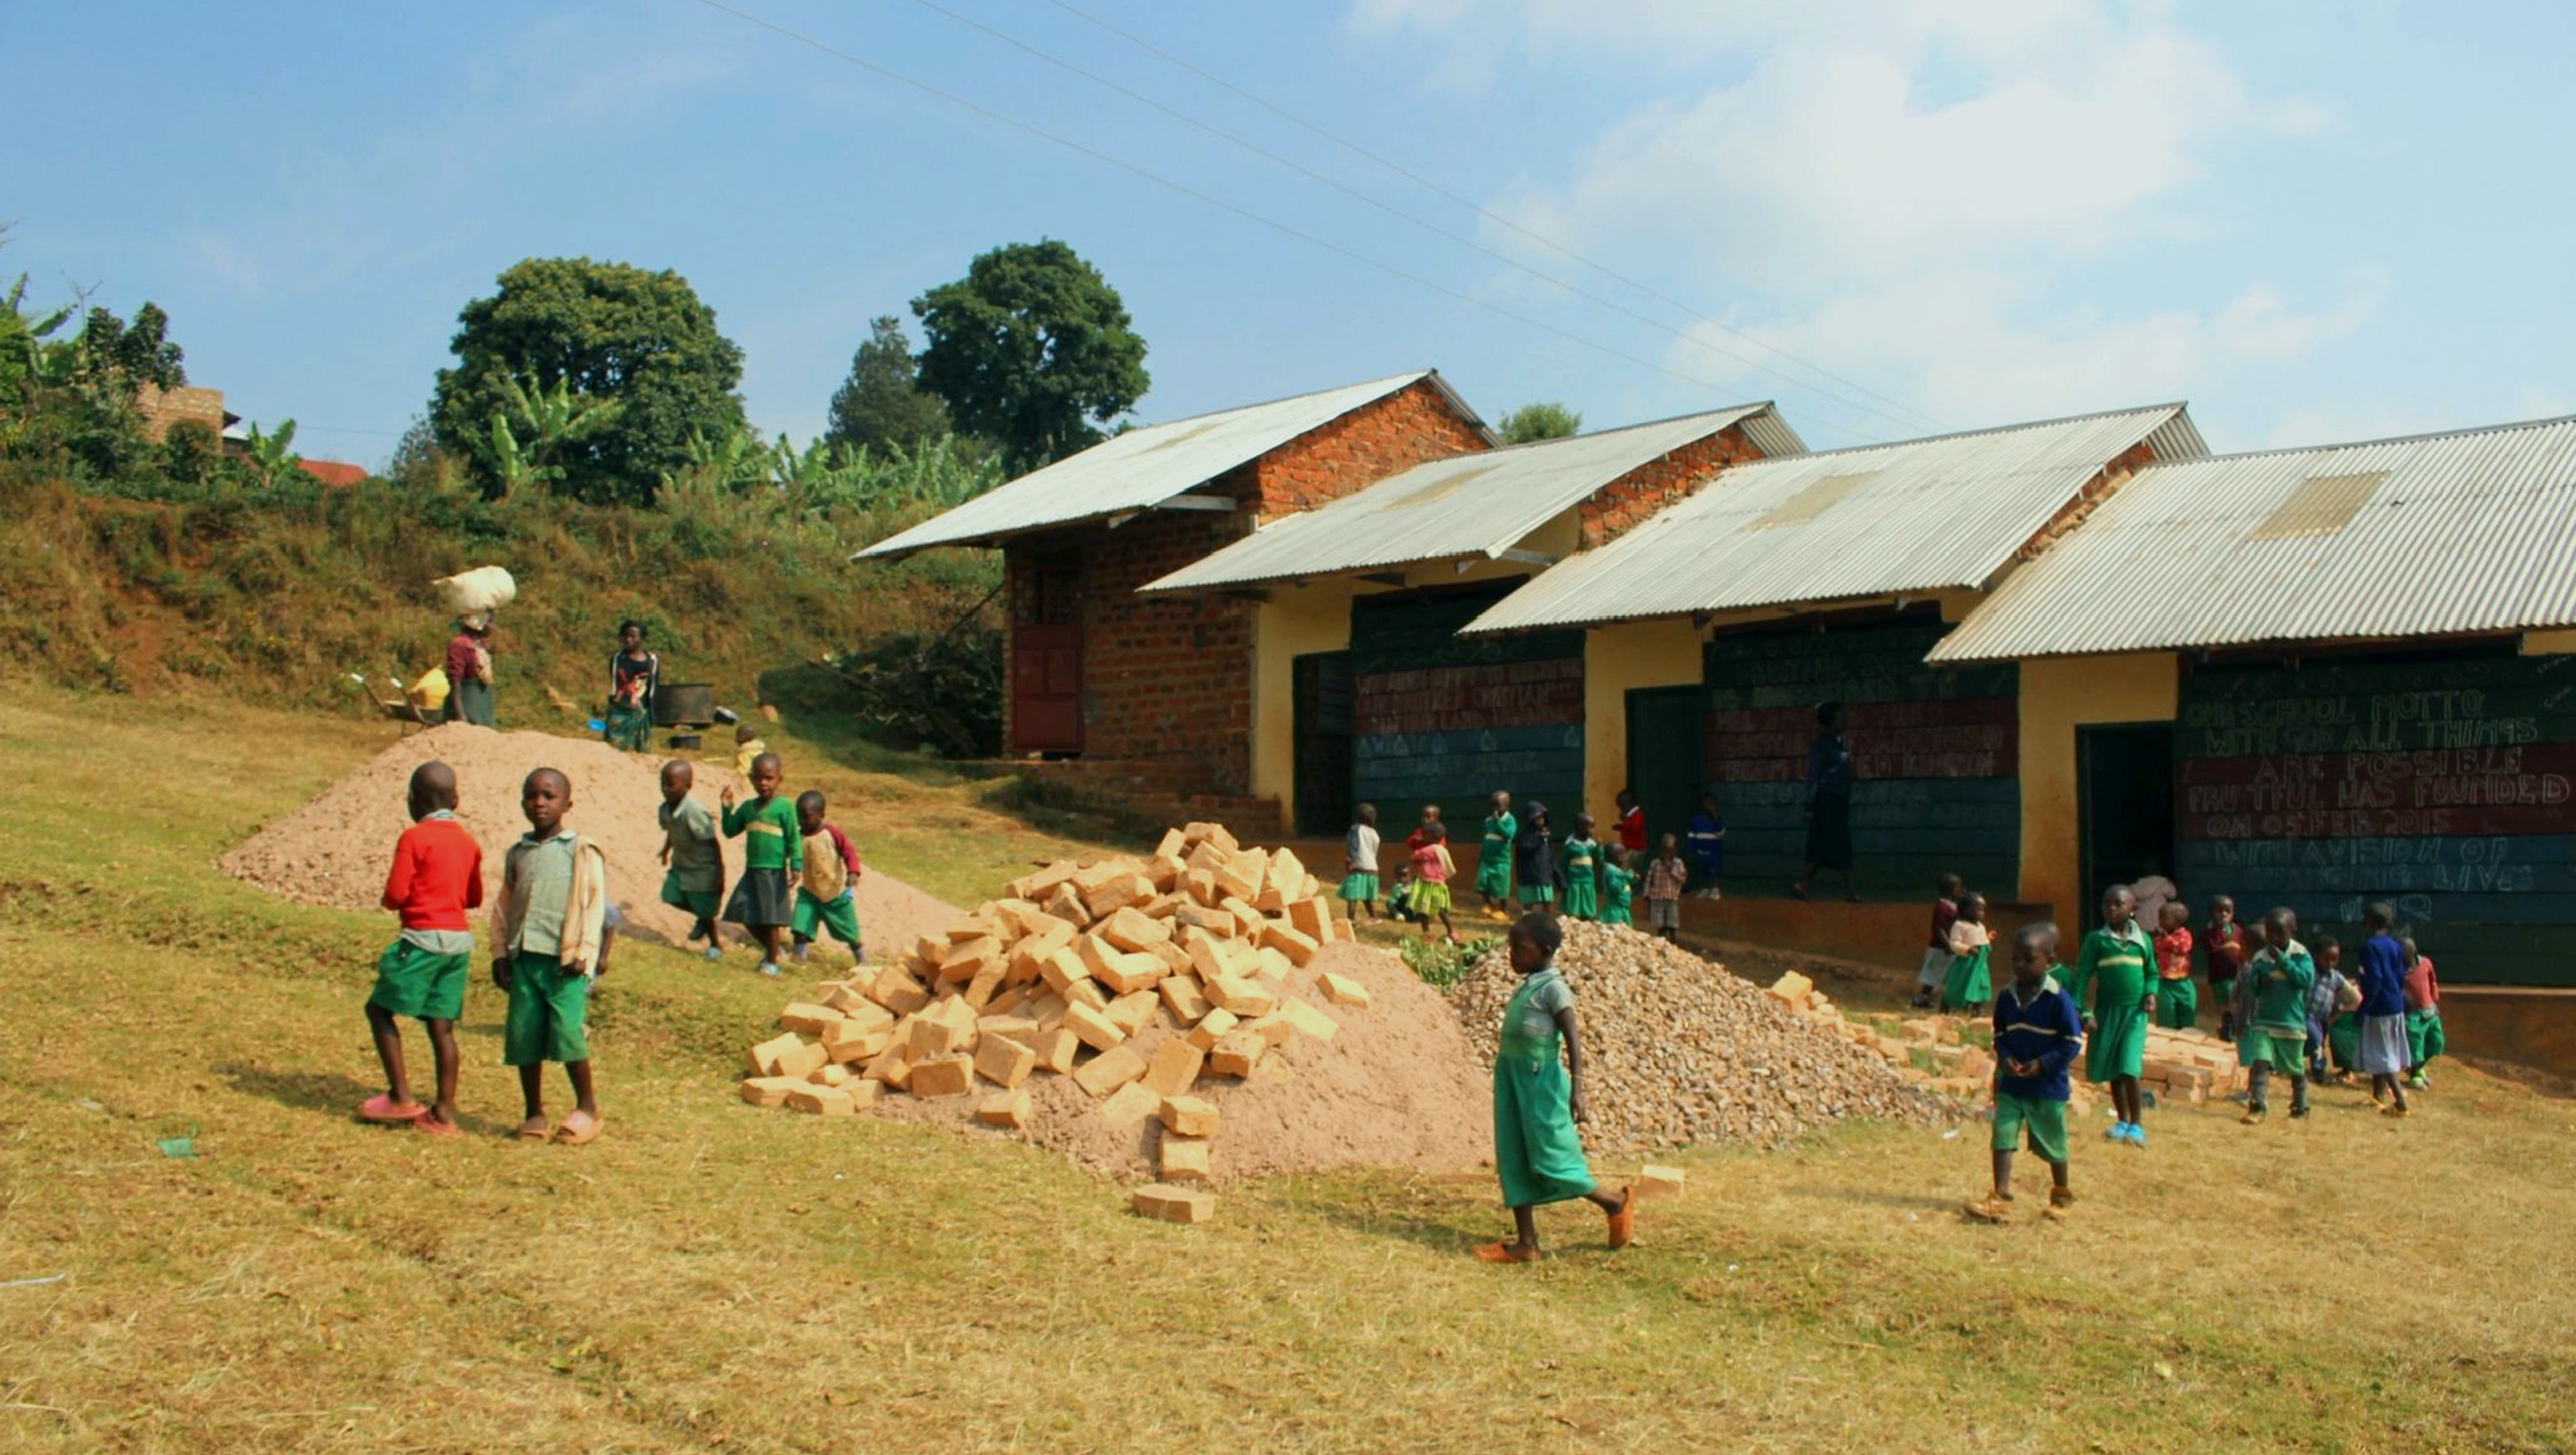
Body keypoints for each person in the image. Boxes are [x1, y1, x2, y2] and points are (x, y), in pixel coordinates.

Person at [1477, 912, 1636, 1262]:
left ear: (1545, 950)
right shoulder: (1528, 983)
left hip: (1540, 1082)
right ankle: (1526, 1243)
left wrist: (1578, 1088)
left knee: (1551, 1156)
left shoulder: (1553, 988)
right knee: (1513, 1154)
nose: (1512, 954)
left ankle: (1614, 1202)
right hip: (1512, 1079)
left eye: (1520, 948)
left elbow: (1573, 1039)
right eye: (1510, 947)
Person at [490, 767, 614, 1146]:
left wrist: (585, 953)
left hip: (565, 963)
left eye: (549, 796)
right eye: (532, 796)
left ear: (567, 803)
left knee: (566, 1033)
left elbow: (594, 905)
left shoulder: (580, 849)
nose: (539, 803)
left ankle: (588, 1108)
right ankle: (534, 1112)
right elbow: (502, 907)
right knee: (524, 1034)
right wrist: (500, 953)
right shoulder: (519, 852)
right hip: (526, 957)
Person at [362, 761, 482, 1136]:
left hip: (421, 940)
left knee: (379, 1010)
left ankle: (400, 1097)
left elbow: (397, 894)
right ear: (456, 800)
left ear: (414, 801)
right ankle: (443, 1114)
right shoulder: (468, 841)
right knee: (441, 1027)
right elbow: (474, 897)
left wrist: (391, 900)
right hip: (458, 943)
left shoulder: (414, 838)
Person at [1964, 923, 2082, 1223]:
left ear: (2049, 961)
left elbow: (2071, 1042)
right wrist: (2005, 1058)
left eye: (2028, 959)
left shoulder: (2058, 999)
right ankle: (2000, 1195)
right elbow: (2000, 1034)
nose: (2020, 965)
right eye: (2015, 958)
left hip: (2047, 1087)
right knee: (2002, 1135)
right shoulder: (2006, 996)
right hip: (2012, 1085)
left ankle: (2061, 1194)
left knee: (2054, 1143)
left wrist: (2041, 1064)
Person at [2067, 884, 2156, 1146]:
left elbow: (2152, 972)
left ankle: (2138, 1125)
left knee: (2129, 1067)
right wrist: (2082, 1010)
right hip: (2107, 1013)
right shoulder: (2097, 940)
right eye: (2107, 905)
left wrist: (2151, 993)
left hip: (2134, 1014)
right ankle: (2122, 1120)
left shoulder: (2143, 941)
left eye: (2119, 904)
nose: (2112, 909)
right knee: (2115, 1070)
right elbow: (2082, 976)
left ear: (2132, 910)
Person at [720, 752, 802, 977]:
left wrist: (796, 863)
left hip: (774, 871)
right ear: (751, 778)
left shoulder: (784, 807)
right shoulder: (748, 808)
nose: (763, 783)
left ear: (779, 779)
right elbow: (729, 830)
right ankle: (773, 950)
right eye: (758, 778)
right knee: (743, 913)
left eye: (769, 778)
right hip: (753, 870)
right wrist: (726, 807)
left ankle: (772, 963)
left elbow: (793, 838)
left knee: (771, 919)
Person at [2235, 907, 2316, 1124]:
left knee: (2295, 1068)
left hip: (2290, 1022)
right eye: (2270, 932)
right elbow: (2251, 986)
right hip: (2264, 1021)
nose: (2274, 937)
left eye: (2279, 932)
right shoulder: (2261, 957)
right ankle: (2257, 1107)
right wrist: (2260, 983)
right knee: (2260, 1062)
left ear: (2292, 930)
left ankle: (2300, 1108)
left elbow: (2305, 980)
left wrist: (2283, 962)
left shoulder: (2300, 954)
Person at [656, 759, 725, 960]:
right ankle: (702, 919)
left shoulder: (694, 811)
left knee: (705, 908)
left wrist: (719, 874)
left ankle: (715, 945)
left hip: (702, 868)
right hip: (682, 864)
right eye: (663, 783)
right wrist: (666, 850)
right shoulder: (665, 809)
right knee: (669, 895)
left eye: (671, 784)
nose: (666, 789)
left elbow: (713, 843)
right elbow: (672, 829)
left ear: (688, 786)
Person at [1790, 700, 1858, 903]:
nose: (1845, 720)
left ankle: (1802, 885)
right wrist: (1809, 806)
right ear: (1830, 721)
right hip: (1826, 801)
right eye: (1840, 717)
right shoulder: (1820, 746)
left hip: (1838, 801)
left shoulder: (1838, 743)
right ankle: (1851, 890)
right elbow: (1813, 777)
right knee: (1839, 844)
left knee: (1821, 845)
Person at [791, 790, 864, 967]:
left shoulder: (831, 833)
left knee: (850, 931)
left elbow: (849, 852)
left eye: (806, 817)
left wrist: (852, 872)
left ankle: (862, 958)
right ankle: (800, 955)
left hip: (834, 894)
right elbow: (794, 854)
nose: (802, 821)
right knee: (800, 924)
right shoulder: (798, 835)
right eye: (799, 816)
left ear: (821, 815)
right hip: (810, 893)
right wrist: (794, 870)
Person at [2353, 903, 2413, 1118]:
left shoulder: (2370, 946)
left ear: (2369, 922)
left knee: (2384, 1055)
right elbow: (2399, 975)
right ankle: (2377, 1097)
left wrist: (2364, 1007)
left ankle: (2401, 1102)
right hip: (2394, 1003)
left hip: (2379, 1006)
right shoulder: (2395, 945)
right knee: (2384, 1049)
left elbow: (2375, 979)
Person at [604, 620, 659, 753]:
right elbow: (615, 684)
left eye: (633, 636)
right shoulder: (618, 658)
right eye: (626, 636)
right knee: (614, 748)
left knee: (640, 751)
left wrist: (650, 711)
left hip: (641, 711)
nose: (629, 640)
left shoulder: (652, 660)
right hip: (620, 711)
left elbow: (653, 687)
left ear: (642, 638)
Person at [1913, 873, 1965, 1009]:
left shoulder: (1953, 906)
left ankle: (1947, 1001)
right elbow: (1939, 928)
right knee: (1933, 976)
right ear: (1952, 890)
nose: (1962, 890)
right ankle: (1921, 999)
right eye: (1959, 887)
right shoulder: (1942, 907)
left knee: (1949, 974)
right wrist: (1947, 944)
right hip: (1940, 948)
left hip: (1949, 947)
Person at [2307, 936, 2355, 1085]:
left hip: (2323, 1018)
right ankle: (2318, 1071)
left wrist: (2340, 1009)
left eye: (2334, 959)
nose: (2330, 963)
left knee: (2319, 1044)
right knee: (2316, 1039)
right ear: (2316, 956)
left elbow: (2354, 996)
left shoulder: (2335, 977)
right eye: (2326, 959)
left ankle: (2319, 1071)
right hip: (2306, 1014)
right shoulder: (2309, 972)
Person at [2401, 933, 2444, 1091]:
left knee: (2437, 1042)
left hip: (2430, 1011)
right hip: (2412, 1016)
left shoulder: (2425, 963)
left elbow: (2432, 980)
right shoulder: (2398, 971)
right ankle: (2415, 1074)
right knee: (2416, 1046)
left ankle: (2418, 1067)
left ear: (2413, 952)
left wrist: (2434, 999)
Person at [1940, 891, 1993, 1016]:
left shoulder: (1981, 926)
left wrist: (1988, 938)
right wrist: (1967, 949)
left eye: (1983, 910)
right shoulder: (1959, 925)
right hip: (1967, 963)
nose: (1982, 913)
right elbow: (1954, 943)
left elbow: (1981, 940)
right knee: (1960, 984)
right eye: (1978, 910)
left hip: (1980, 963)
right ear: (1966, 910)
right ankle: (1947, 1002)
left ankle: (1977, 1007)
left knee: (1981, 983)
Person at [2205, 895, 2250, 1041]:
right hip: (2219, 976)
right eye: (2219, 911)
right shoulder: (2209, 932)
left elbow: (2244, 948)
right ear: (2211, 913)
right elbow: (2211, 948)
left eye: (2227, 911)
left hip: (2235, 974)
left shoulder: (2237, 930)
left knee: (2235, 1002)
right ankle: (2227, 1028)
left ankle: (2230, 1027)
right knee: (2226, 1004)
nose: (2223, 914)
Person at [1408, 821, 1460, 944]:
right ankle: (1452, 932)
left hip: (1426, 884)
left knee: (1423, 911)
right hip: (1439, 884)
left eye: (1424, 835)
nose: (1422, 838)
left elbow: (1414, 857)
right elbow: (1449, 868)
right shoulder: (1443, 850)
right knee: (1442, 911)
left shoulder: (1428, 850)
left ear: (1430, 836)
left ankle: (1426, 934)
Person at [444, 613, 497, 727]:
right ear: (478, 624)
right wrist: (460, 714)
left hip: (482, 706)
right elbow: (455, 681)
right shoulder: (460, 644)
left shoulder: (483, 645)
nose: (492, 627)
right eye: (490, 622)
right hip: (467, 705)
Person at [2151, 900, 2198, 1029]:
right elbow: (2157, 947)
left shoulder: (2185, 935)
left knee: (2187, 1007)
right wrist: (2163, 939)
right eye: (2159, 918)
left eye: (2164, 918)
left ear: (2177, 921)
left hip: (2182, 980)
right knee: (2166, 1010)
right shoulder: (2159, 937)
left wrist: (2166, 939)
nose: (2160, 921)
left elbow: (2182, 948)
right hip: (2165, 981)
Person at [1475, 791, 1517, 922]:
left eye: (1498, 806)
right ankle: (1488, 904)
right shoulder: (1488, 821)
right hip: (1487, 859)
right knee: (1482, 883)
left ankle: (1503, 910)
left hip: (1501, 861)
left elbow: (1508, 834)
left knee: (1501, 887)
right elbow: (1486, 837)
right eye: (1493, 806)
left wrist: (1498, 822)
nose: (1495, 809)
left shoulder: (1510, 820)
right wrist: (1481, 851)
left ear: (1507, 806)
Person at [1340, 802, 1382, 923]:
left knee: (1352, 895)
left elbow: (1354, 845)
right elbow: (1374, 850)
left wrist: (1350, 859)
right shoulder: (1375, 834)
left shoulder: (1355, 829)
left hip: (1358, 868)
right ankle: (1373, 917)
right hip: (1372, 868)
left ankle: (1350, 919)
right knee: (1367, 896)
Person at [1513, 801, 1557, 917]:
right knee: (1529, 901)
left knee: (1547, 900)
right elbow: (1525, 849)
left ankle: (1546, 919)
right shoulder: (1524, 836)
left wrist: (1554, 871)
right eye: (1537, 818)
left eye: (1542, 817)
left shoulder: (1546, 835)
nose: (1541, 820)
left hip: (1544, 874)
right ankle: (1526, 919)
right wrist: (1539, 840)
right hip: (1529, 874)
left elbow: (1550, 855)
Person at [1642, 834, 1688, 943]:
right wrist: (1647, 893)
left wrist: (1672, 870)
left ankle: (1672, 940)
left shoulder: (1678, 863)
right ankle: (1661, 939)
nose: (1667, 855)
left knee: (1672, 921)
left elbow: (1683, 879)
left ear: (1675, 851)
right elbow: (1649, 879)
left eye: (1670, 851)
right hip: (1657, 896)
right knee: (1659, 921)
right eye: (1665, 851)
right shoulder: (1655, 863)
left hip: (1671, 897)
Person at [1559, 813, 1604, 921]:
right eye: (1591, 827)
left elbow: (1599, 859)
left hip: (1588, 878)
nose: (1593, 830)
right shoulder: (1570, 844)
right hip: (1573, 878)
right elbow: (1563, 863)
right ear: (1580, 827)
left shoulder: (1591, 844)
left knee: (1587, 897)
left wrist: (1599, 847)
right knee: (1574, 898)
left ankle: (1586, 917)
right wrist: (1562, 879)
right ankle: (1573, 917)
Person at [1685, 792, 1726, 899]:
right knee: (1702, 871)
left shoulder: (1717, 819)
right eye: (1706, 803)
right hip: (1700, 850)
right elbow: (1691, 835)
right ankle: (1705, 889)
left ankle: (1715, 890)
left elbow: (1721, 832)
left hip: (1713, 851)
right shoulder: (1696, 819)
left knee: (1714, 871)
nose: (1708, 805)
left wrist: (1715, 817)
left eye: (1711, 803)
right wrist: (1690, 849)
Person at [2127, 860, 2178, 935]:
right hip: (2158, 922)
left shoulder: (2134, 887)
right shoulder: (2163, 883)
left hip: (2141, 922)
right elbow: (2173, 894)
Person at [1600, 847, 1636, 927]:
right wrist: (1624, 876)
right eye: (1624, 854)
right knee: (1614, 929)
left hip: (1622, 907)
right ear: (1618, 856)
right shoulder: (1612, 871)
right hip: (1615, 909)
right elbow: (1616, 888)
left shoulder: (1617, 871)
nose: (1625, 857)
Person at [1613, 789, 1648, 860]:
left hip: (1636, 849)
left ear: (1630, 803)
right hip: (1629, 848)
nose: (1621, 809)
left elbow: (1635, 827)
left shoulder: (1637, 814)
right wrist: (1620, 827)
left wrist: (1625, 819)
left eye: (1622, 806)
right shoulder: (1630, 815)